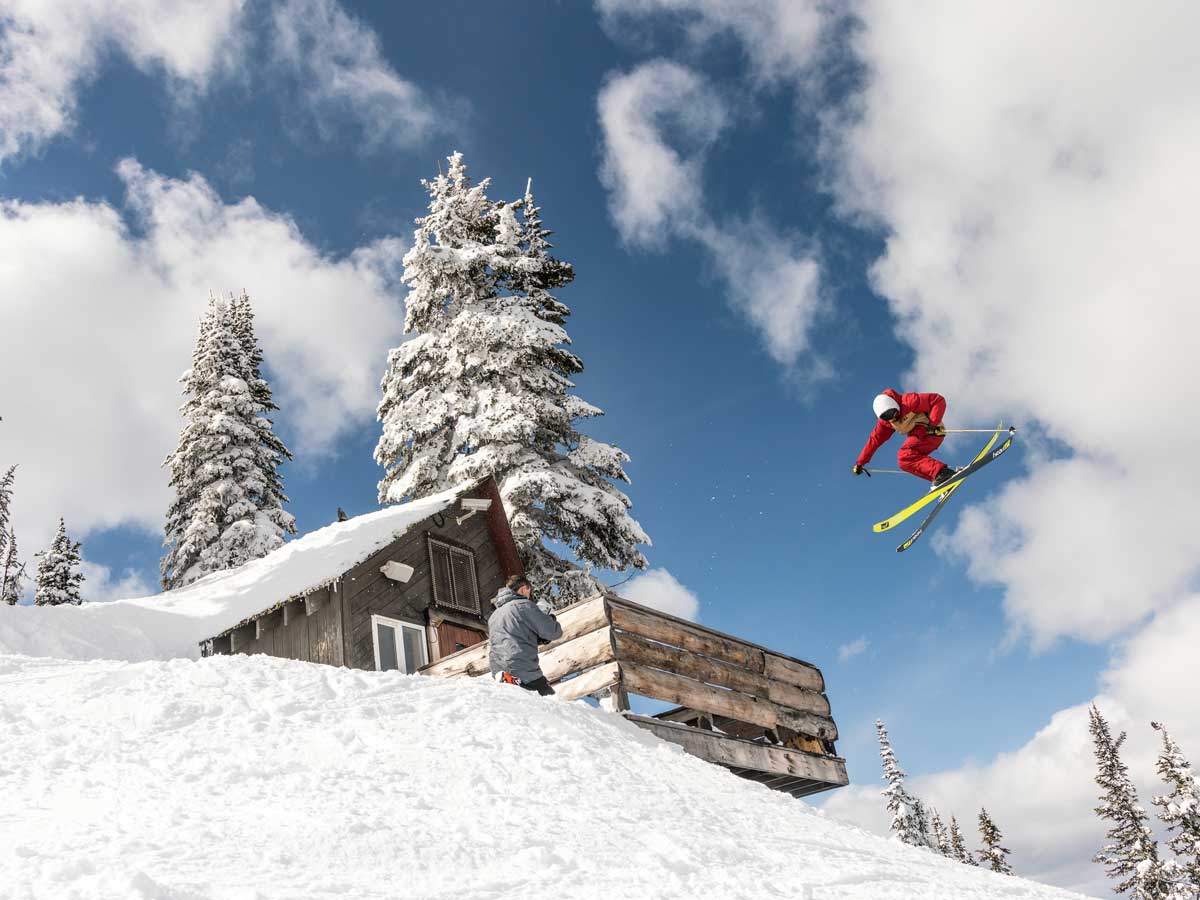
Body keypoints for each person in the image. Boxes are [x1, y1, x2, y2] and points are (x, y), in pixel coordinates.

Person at [852, 390, 957, 489]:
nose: (893, 418)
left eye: (893, 412)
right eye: (887, 417)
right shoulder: (886, 424)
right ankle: (940, 478)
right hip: (918, 437)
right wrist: (860, 463)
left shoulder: (909, 401)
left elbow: (937, 400)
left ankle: (942, 473)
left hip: (931, 431)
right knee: (904, 463)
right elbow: (874, 441)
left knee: (904, 454)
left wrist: (933, 424)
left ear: (895, 405)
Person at [487, 574, 562, 696]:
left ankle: (508, 679)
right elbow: (554, 632)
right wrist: (551, 620)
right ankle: (514, 681)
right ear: (523, 589)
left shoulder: (494, 616)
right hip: (524, 670)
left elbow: (512, 636)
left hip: (498, 667)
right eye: (529, 591)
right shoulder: (524, 605)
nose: (529, 596)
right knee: (551, 703)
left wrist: (538, 639)